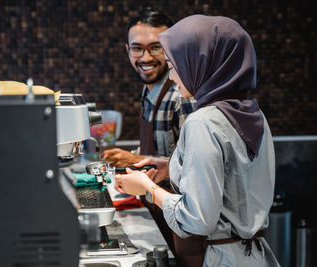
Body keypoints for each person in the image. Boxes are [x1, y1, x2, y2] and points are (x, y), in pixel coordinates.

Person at [114, 14, 280, 266]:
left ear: (201, 63)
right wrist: (168, 167)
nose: (171, 77)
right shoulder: (252, 113)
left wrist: (148, 189)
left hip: (218, 258)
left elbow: (196, 219)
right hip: (252, 255)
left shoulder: (202, 121)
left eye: (174, 66)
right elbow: (233, 179)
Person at [102, 8, 194, 167]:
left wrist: (137, 160)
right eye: (137, 48)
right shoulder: (149, 90)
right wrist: (130, 156)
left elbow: (193, 166)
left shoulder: (182, 96)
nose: (146, 58)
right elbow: (159, 150)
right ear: (128, 50)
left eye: (156, 47)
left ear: (171, 48)